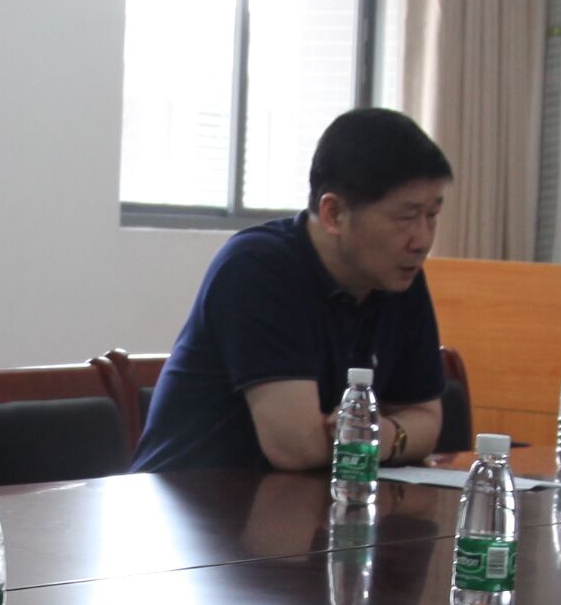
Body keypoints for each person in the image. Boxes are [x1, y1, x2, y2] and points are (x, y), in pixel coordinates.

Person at [131, 107, 454, 474]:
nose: (422, 241)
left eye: (432, 216)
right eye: (406, 217)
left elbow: (428, 420)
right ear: (333, 213)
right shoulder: (257, 267)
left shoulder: (398, 276)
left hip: (307, 502)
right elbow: (297, 447)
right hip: (186, 500)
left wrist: (383, 437)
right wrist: (387, 436)